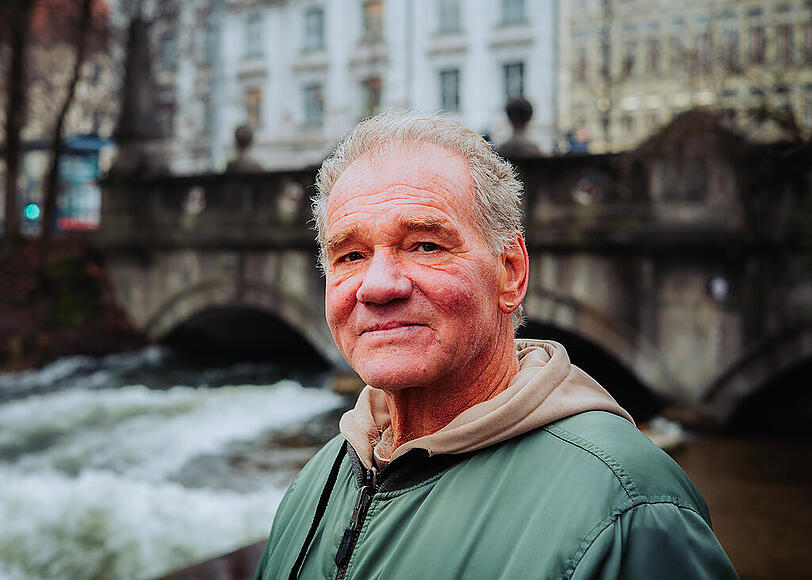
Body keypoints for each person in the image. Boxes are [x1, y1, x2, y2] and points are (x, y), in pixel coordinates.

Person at [254, 112, 738, 579]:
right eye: (352, 255)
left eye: (426, 245)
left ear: (511, 272)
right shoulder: (320, 478)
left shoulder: (629, 508)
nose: (378, 286)